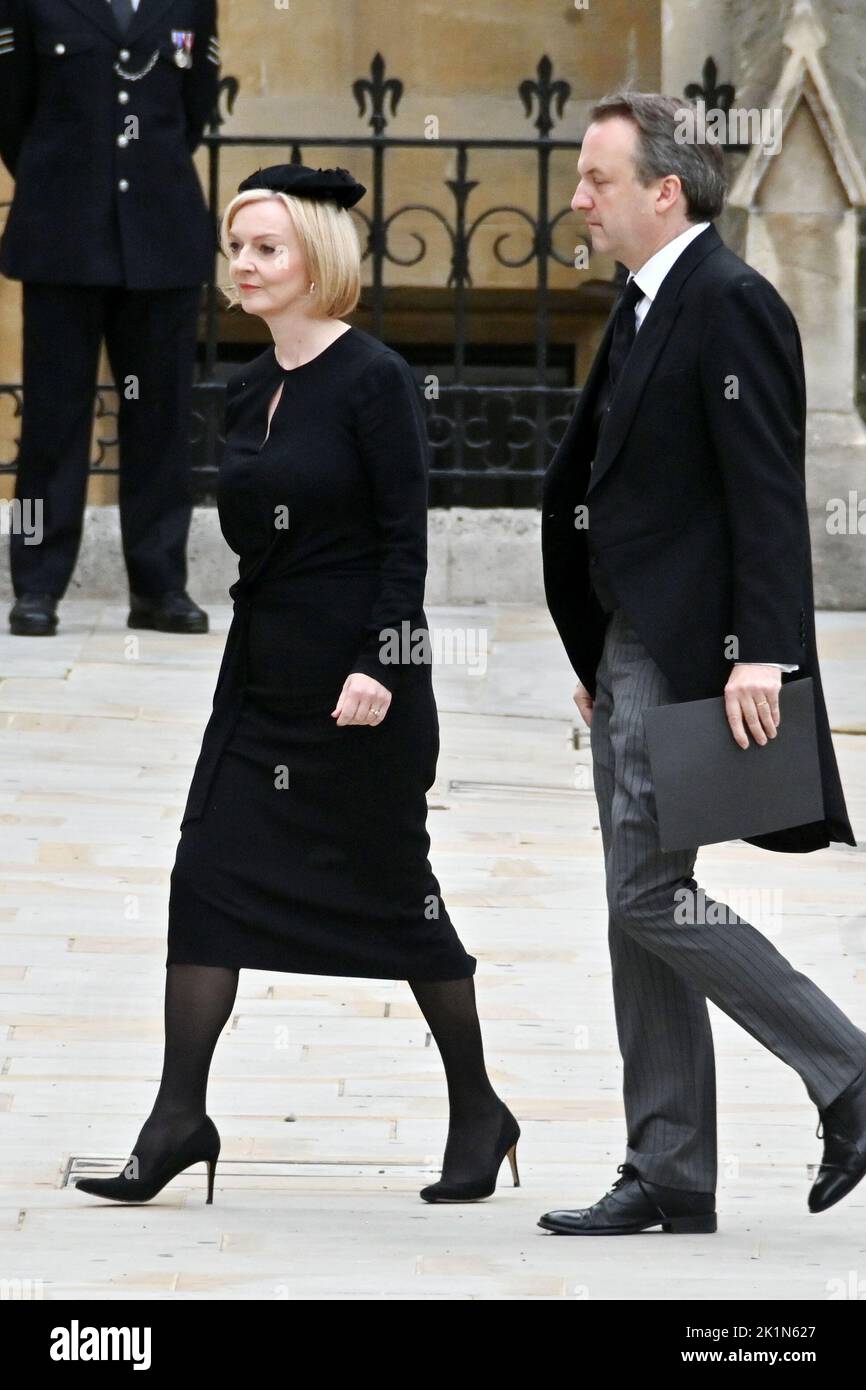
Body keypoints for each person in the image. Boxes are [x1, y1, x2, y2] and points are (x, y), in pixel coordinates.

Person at [74, 162, 520, 1207]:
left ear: (318, 257)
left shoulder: (375, 379)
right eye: (236, 247)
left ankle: (477, 1107)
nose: (243, 263)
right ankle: (178, 1118)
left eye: (265, 246)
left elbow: (403, 543)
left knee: (400, 903)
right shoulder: (246, 384)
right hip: (262, 678)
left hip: (358, 691)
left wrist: (380, 661)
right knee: (206, 878)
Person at [538, 92, 866, 1236]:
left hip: (695, 653)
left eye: (595, 180)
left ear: (661, 191)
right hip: (634, 642)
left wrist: (763, 654)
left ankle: (845, 1066)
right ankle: (668, 1166)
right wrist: (596, 640)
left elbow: (766, 494)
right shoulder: (641, 304)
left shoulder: (729, 303)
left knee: (644, 892)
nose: (576, 199)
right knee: (635, 903)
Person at [0, 0, 217, 636]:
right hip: (63, 238)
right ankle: (37, 586)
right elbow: (11, 110)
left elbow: (193, 107)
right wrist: (62, 179)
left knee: (160, 421)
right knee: (52, 425)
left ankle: (159, 588)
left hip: (161, 237)